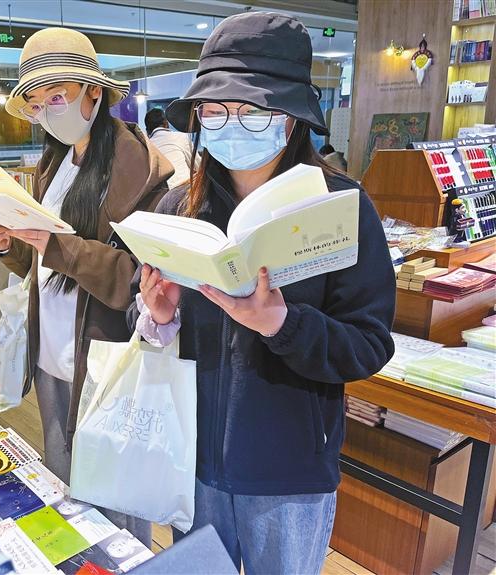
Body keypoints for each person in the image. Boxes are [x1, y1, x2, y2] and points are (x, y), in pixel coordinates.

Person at [129, 12, 395, 574]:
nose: (231, 123)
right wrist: (159, 316)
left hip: (289, 473)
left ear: (292, 117)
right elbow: (149, 322)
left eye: (252, 110)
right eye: (215, 110)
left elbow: (368, 345)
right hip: (192, 460)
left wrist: (281, 323)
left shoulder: (342, 210)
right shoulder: (178, 208)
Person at [0, 27, 172, 546]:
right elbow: (42, 263)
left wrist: (55, 244)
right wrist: (5, 243)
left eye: (56, 97)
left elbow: (139, 279)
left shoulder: (138, 167)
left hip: (106, 362)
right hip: (53, 357)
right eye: (37, 105)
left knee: (118, 502)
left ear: (94, 92)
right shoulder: (54, 164)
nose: (47, 112)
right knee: (68, 488)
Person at [145, 107, 193, 188]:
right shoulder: (181, 137)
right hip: (184, 188)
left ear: (147, 131)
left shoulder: (147, 146)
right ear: (166, 123)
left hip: (161, 193)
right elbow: (196, 164)